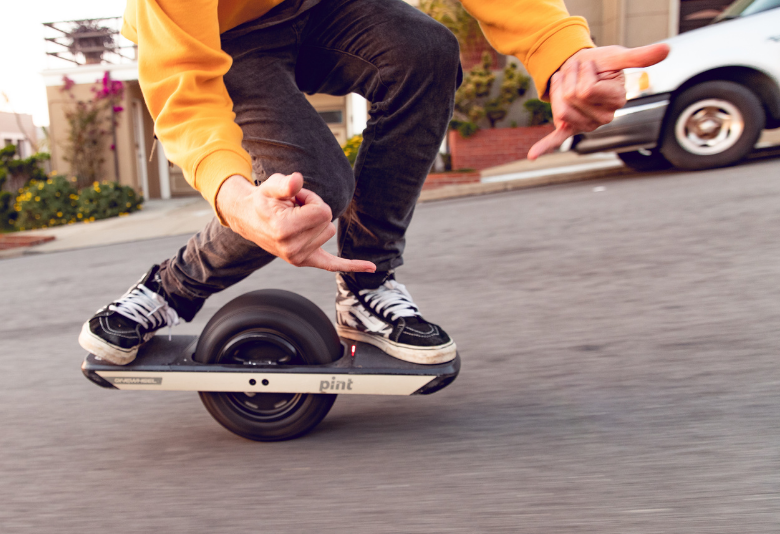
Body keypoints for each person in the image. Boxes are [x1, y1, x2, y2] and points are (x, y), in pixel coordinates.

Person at [79, 0, 669, 365]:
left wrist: (560, 50)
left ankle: (366, 287)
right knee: (308, 194)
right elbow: (184, 86)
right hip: (222, 37)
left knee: (425, 51)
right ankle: (169, 288)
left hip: (324, 8)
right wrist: (238, 200)